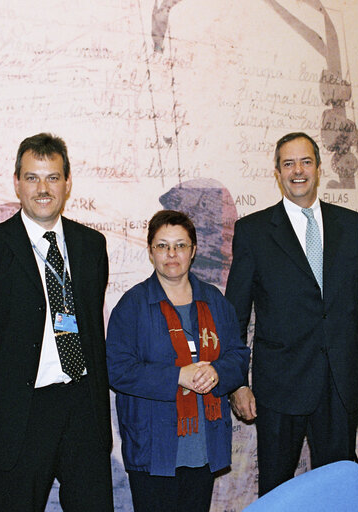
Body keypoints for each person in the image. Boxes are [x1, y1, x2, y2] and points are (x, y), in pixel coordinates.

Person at [224, 131, 358, 496]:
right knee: (276, 490)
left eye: (305, 161)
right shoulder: (253, 231)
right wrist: (237, 381)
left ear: (319, 168)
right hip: (280, 387)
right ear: (277, 173)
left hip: (338, 385)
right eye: (288, 163)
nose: (298, 171)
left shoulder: (351, 225)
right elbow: (235, 315)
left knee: (334, 489)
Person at [0, 133, 113, 511]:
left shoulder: (91, 245)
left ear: (68, 183)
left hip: (82, 411)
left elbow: (90, 324)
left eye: (53, 177)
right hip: (22, 414)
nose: (43, 189)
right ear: (16, 183)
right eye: (32, 178)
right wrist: (11, 385)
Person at [106, 210, 250, 512]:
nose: (171, 254)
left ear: (193, 251)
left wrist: (218, 372)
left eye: (180, 245)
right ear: (150, 252)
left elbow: (238, 354)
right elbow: (117, 370)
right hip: (153, 447)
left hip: (204, 446)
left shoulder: (215, 301)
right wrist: (177, 377)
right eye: (162, 246)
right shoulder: (133, 305)